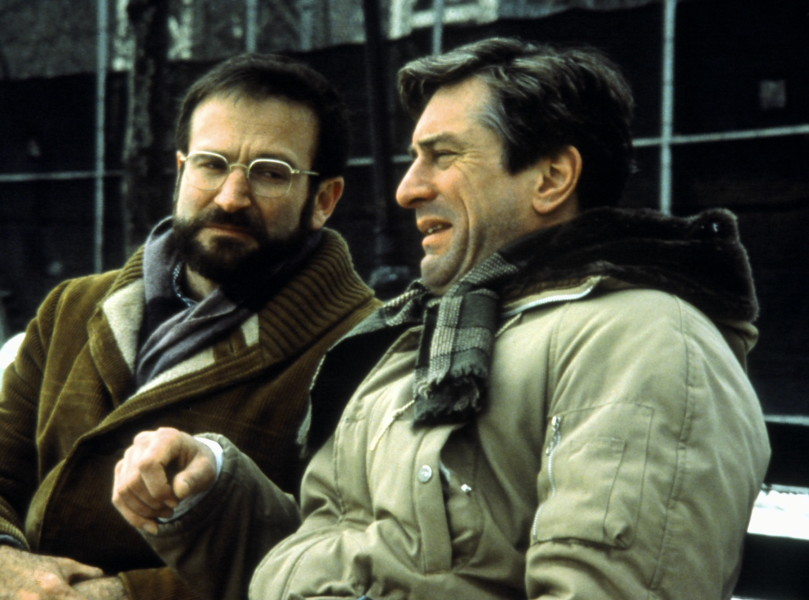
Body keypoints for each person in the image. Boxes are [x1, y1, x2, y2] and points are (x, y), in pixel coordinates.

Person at [113, 38, 770, 599]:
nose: (407, 188)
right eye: (414, 157)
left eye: (443, 155)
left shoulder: (643, 342)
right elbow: (343, 561)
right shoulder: (440, 330)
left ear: (551, 178)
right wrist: (212, 495)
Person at [0, 53, 380, 600]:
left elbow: (344, 556)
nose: (231, 197)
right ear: (181, 170)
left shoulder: (364, 349)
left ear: (324, 200)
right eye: (212, 163)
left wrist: (121, 594)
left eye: (270, 173)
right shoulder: (74, 309)